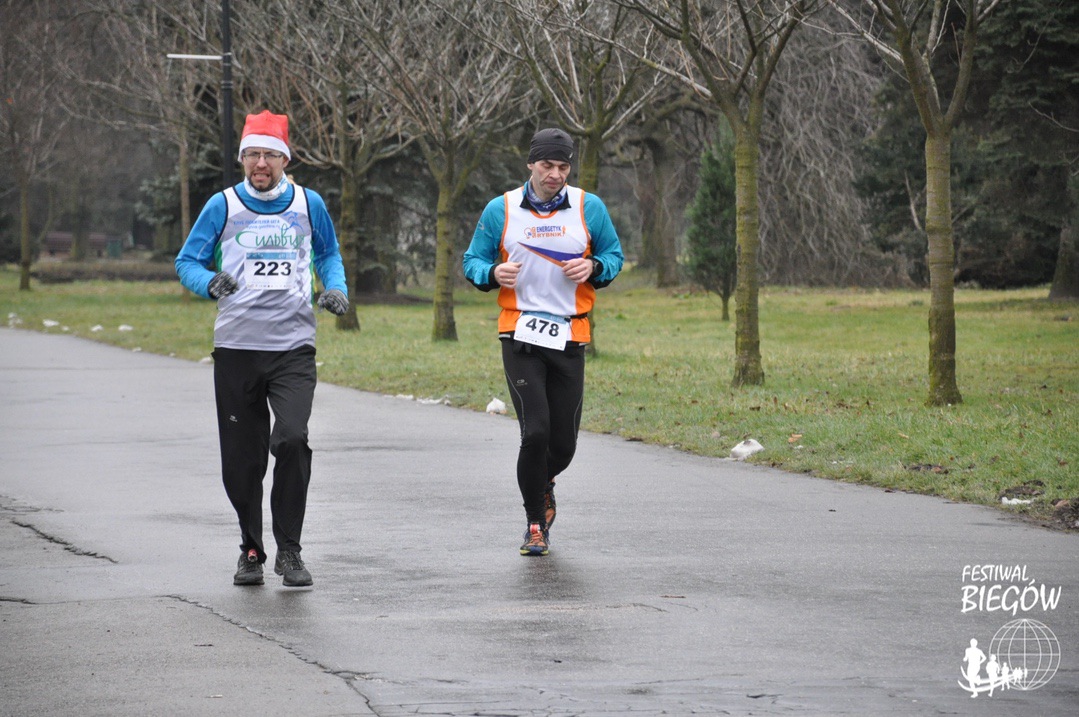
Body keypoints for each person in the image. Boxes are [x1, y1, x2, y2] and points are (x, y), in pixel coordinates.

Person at [175, 110, 349, 587]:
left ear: (285, 159)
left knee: (291, 439)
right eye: (252, 154)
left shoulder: (309, 204)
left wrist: (335, 287)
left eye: (270, 155)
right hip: (237, 347)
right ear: (242, 159)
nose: (260, 163)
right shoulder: (223, 205)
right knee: (243, 460)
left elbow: (328, 253)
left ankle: (289, 551)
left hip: (293, 347)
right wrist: (208, 282)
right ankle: (251, 547)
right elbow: (187, 261)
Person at [462, 127, 623, 556]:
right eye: (547, 165)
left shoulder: (589, 207)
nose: (555, 174)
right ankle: (535, 524)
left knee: (563, 445)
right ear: (531, 164)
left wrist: (594, 267)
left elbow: (614, 256)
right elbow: (473, 260)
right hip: (520, 334)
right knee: (535, 432)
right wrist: (491, 273)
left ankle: (544, 481)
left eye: (563, 166)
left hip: (570, 333)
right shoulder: (501, 209)